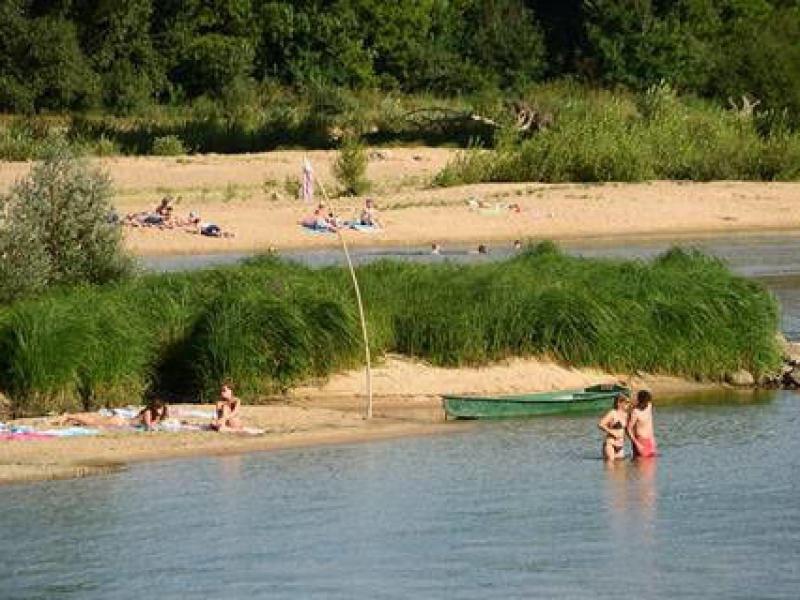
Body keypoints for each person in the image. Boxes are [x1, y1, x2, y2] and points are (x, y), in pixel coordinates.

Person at [57, 400, 169, 431]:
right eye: (158, 408)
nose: (160, 410)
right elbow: (148, 426)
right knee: (93, 422)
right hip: (120, 422)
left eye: (161, 408)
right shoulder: (148, 412)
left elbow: (159, 421)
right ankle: (69, 416)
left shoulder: (158, 414)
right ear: (153, 407)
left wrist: (165, 413)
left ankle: (71, 419)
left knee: (95, 419)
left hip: (121, 420)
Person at [598, 393, 631, 461]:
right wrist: (612, 432)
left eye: (629, 402)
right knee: (611, 467)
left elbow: (626, 429)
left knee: (622, 469)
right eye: (627, 402)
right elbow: (600, 424)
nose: (628, 404)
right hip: (611, 444)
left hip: (620, 445)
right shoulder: (613, 413)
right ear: (619, 403)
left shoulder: (626, 414)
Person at [627, 390, 658, 458]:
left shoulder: (649, 406)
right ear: (641, 401)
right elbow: (628, 429)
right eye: (645, 402)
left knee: (652, 466)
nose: (647, 403)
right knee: (642, 465)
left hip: (650, 440)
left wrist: (653, 440)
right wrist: (636, 443)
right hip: (640, 441)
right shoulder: (635, 412)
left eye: (648, 401)